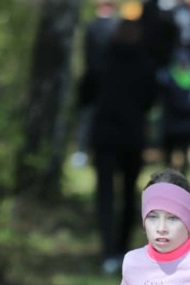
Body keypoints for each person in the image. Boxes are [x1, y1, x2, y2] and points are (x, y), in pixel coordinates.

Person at [90, 8, 159, 274]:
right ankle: (121, 249)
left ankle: (108, 252)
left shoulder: (102, 60)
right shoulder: (146, 64)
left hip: (105, 135)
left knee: (105, 194)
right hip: (131, 136)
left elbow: (86, 93)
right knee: (129, 193)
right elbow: (151, 99)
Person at [72, 0, 120, 168]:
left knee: (87, 119)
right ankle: (105, 155)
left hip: (92, 80)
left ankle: (82, 153)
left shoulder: (90, 27)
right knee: (106, 120)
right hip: (111, 83)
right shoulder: (117, 27)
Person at [157, 48, 190, 173]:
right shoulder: (166, 77)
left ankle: (182, 177)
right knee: (169, 154)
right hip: (173, 121)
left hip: (185, 122)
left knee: (184, 152)